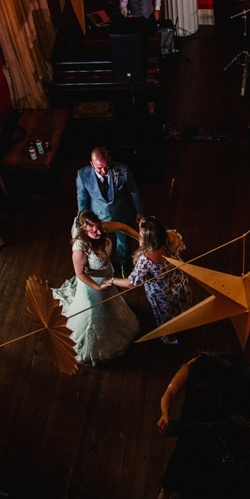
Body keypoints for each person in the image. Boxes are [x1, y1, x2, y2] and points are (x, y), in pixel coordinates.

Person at [155, 352, 250, 499]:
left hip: (212, 425)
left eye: (202, 383)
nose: (197, 386)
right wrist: (165, 414)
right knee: (180, 459)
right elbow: (169, 392)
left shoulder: (229, 380)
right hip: (192, 420)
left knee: (206, 463)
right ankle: (163, 498)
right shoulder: (191, 368)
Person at [51, 211, 139, 366]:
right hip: (93, 284)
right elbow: (79, 273)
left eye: (99, 228)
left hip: (107, 276)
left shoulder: (101, 229)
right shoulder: (80, 248)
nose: (99, 232)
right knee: (97, 311)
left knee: (110, 304)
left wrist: (139, 237)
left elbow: (122, 227)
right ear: (84, 231)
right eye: (94, 231)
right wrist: (97, 287)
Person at [111, 216, 195, 346]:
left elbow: (131, 283)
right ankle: (186, 323)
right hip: (180, 282)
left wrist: (112, 280)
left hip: (162, 294)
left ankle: (172, 340)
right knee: (182, 306)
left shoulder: (146, 260)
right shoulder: (173, 237)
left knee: (166, 317)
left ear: (147, 239)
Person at [76, 147, 144, 275]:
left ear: (110, 160)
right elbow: (82, 199)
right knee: (98, 243)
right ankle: (104, 265)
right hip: (98, 217)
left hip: (121, 213)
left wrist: (139, 211)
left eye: (106, 167)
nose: (103, 171)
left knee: (124, 242)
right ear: (91, 164)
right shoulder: (82, 175)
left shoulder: (122, 170)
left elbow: (133, 190)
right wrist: (84, 221)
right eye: (99, 168)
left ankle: (124, 263)